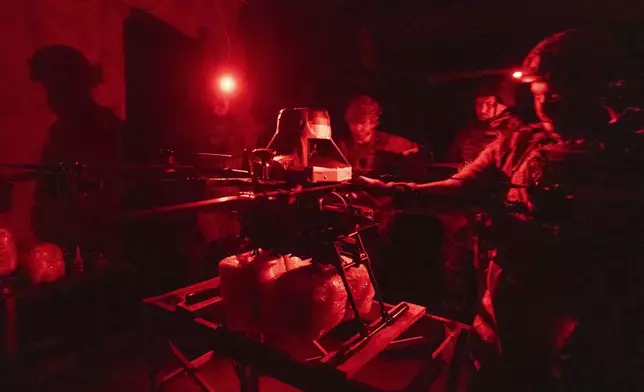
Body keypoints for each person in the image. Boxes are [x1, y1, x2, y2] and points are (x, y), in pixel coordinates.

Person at [360, 29, 644, 391]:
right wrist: (389, 194)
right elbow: (462, 189)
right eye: (540, 93)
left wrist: (534, 239)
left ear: (596, 88)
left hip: (589, 336)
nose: (548, 105)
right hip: (505, 320)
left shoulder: (630, 157)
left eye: (558, 92)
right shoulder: (521, 143)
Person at [445, 80, 523, 164]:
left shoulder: (516, 131)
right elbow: (450, 161)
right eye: (479, 104)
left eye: (489, 104)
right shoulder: (467, 133)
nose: (482, 110)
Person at [338, 95, 419, 174]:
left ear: (373, 122)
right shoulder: (339, 146)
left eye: (362, 122)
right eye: (353, 122)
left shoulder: (390, 142)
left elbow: (419, 151)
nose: (357, 128)